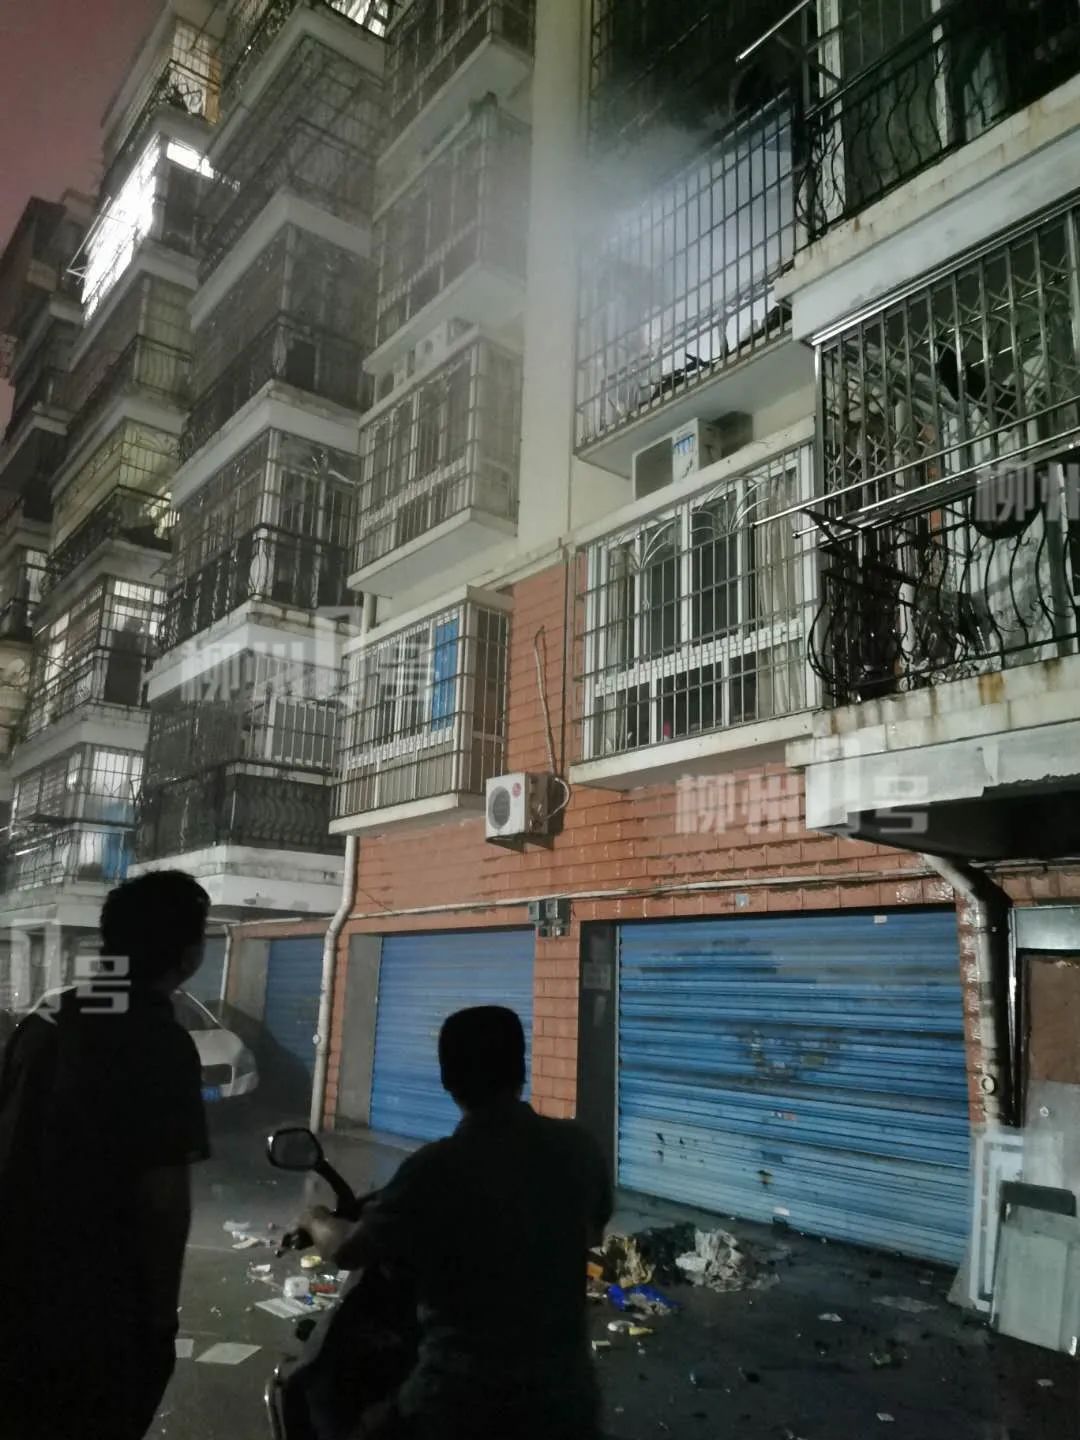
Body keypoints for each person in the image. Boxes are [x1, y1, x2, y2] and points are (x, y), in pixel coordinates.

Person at [303, 1004, 613, 1440]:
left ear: (447, 1078)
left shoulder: (435, 1168)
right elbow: (591, 1231)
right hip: (568, 1399)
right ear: (520, 1069)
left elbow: (347, 1250)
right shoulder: (579, 1148)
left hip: (459, 1403)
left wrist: (314, 1218)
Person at [0, 870, 212, 1440]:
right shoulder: (159, 1044)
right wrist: (161, 1317)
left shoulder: (44, 1022)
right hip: (97, 1310)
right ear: (188, 955)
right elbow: (163, 1200)